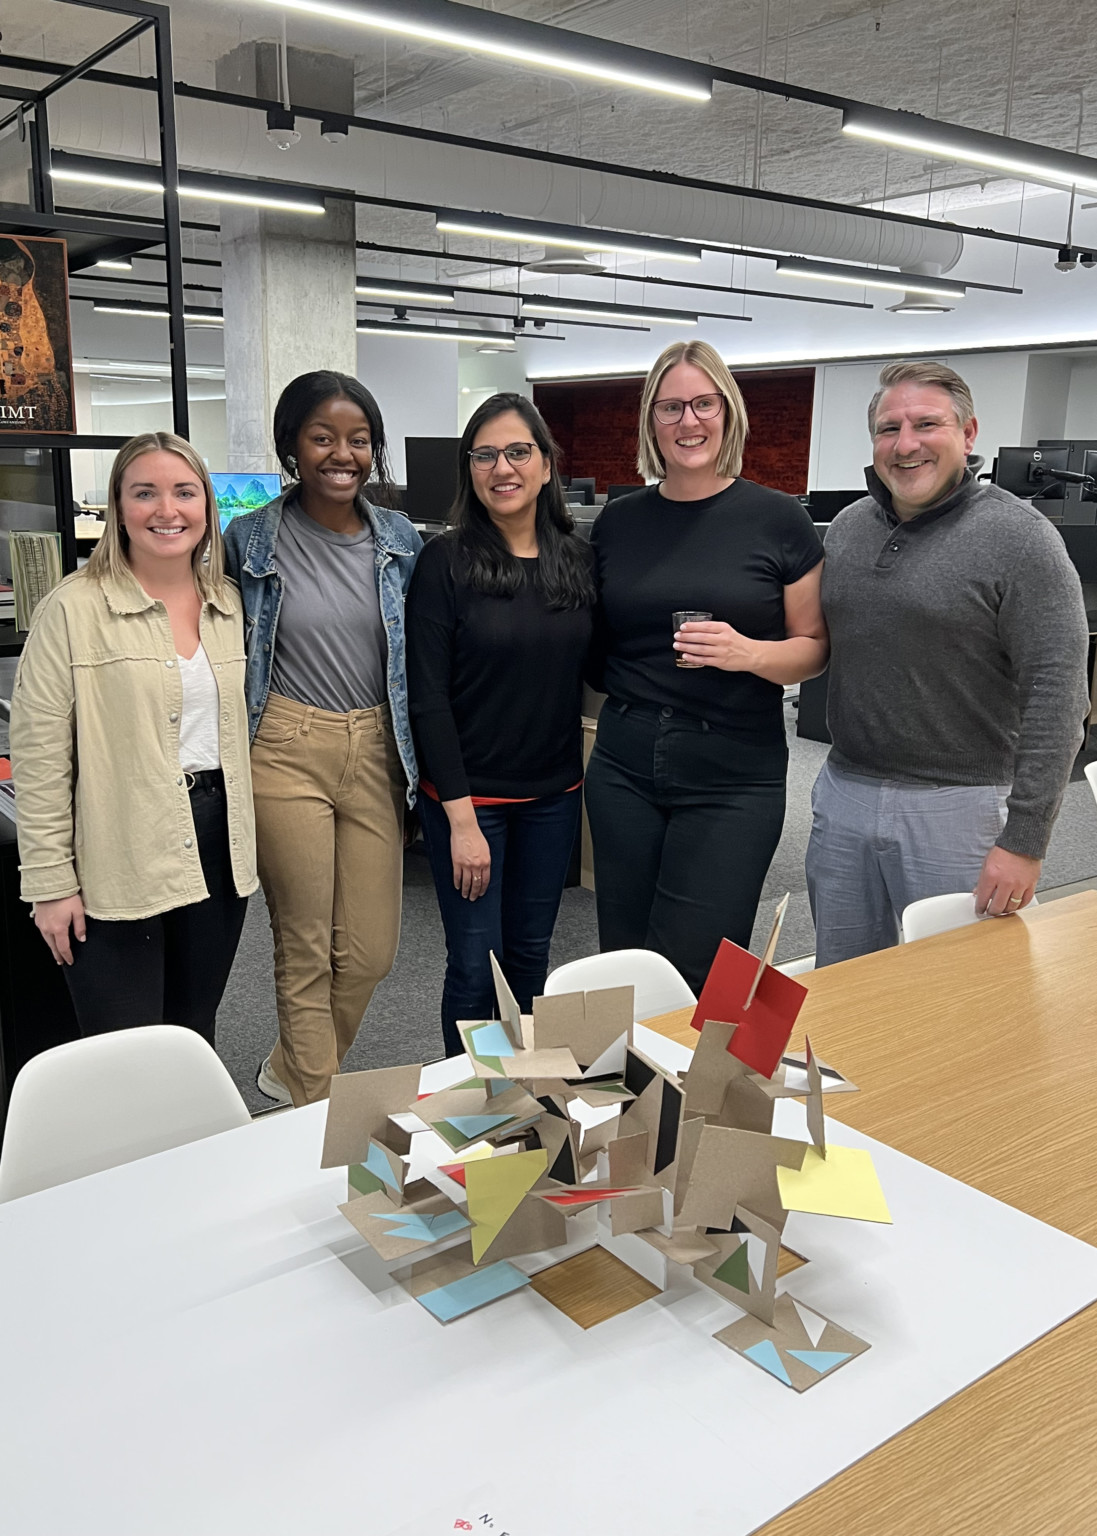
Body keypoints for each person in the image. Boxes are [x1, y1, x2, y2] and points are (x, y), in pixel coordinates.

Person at [806, 359, 1090, 965]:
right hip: (845, 789)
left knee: (959, 995)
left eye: (926, 424)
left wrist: (1026, 840)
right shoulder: (849, 530)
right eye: (889, 428)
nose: (905, 444)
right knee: (845, 981)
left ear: (968, 433)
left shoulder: (1022, 538)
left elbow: (1059, 697)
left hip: (961, 807)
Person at [585, 339, 828, 993]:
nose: (687, 422)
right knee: (625, 962)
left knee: (698, 966)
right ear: (650, 421)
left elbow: (813, 647)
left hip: (732, 770)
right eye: (669, 408)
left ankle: (698, 1096)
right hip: (625, 762)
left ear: (727, 411)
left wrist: (748, 653)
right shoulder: (618, 521)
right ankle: (633, 1094)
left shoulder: (776, 518)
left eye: (701, 403)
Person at [10, 433, 256, 1043]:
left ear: (207, 507)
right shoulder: (73, 609)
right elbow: (40, 759)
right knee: (125, 1046)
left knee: (194, 1031)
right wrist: (50, 884)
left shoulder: (228, 604)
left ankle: (189, 1144)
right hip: (117, 847)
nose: (167, 510)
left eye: (184, 492)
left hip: (219, 842)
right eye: (144, 493)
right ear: (118, 507)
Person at [222, 371, 422, 1105]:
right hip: (283, 745)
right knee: (305, 947)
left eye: (359, 439)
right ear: (292, 448)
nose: (343, 454)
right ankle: (311, 1113)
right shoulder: (247, 539)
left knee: (369, 953)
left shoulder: (401, 540)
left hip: (376, 746)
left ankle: (289, 1065)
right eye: (323, 437)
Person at [406, 393, 595, 1055]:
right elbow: (425, 698)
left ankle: (520, 1096)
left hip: (552, 797)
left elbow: (597, 664)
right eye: (484, 454)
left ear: (546, 464)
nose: (501, 467)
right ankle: (469, 1109)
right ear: (469, 470)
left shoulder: (576, 558)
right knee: (472, 963)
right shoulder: (444, 562)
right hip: (470, 801)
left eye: (518, 451)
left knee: (528, 957)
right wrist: (459, 820)